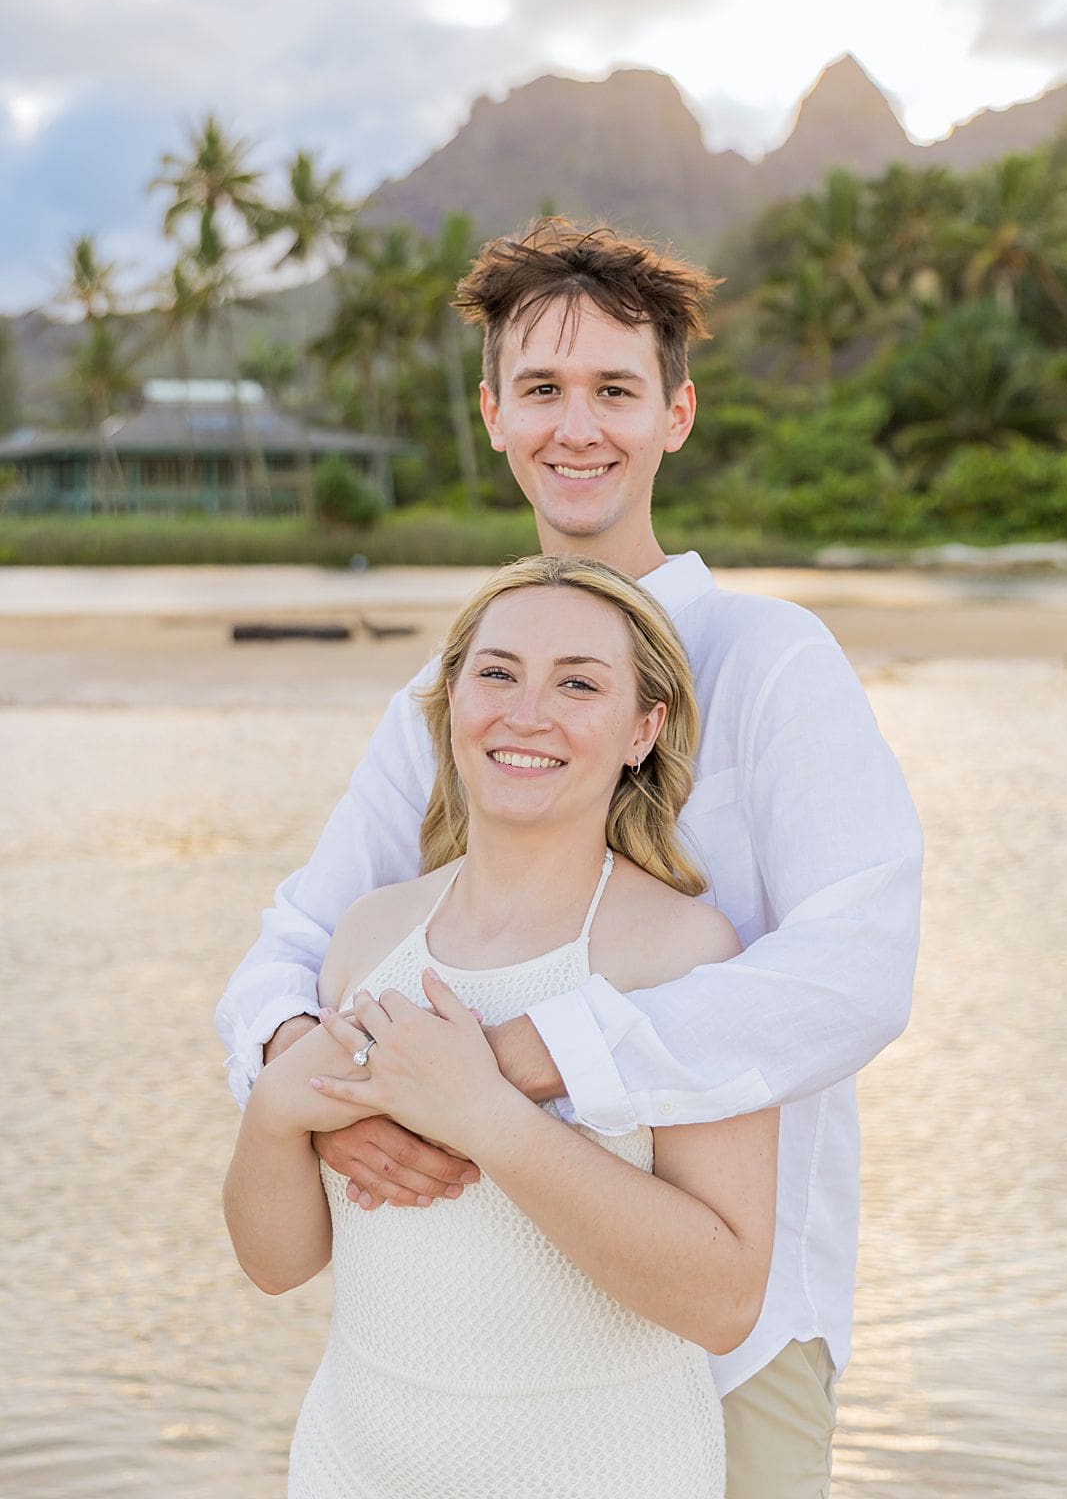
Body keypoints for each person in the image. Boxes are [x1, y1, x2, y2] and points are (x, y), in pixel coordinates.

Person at [217, 217, 924, 1499]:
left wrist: (511, 1065)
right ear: (493, 414)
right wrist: (309, 1094)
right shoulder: (453, 690)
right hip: (485, 1326)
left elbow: (859, 967)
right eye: (541, 389)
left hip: (731, 1318)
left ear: (678, 413)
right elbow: (297, 944)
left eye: (615, 389)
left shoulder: (772, 663)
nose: (576, 426)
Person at [225, 554, 778, 1496]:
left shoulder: (683, 954)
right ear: (449, 706)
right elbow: (279, 1264)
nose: (527, 713)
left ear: (643, 729)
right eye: (497, 673)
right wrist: (276, 1112)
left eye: (578, 683)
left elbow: (725, 1301)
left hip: (603, 1467)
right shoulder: (369, 935)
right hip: (358, 1462)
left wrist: (486, 1116)